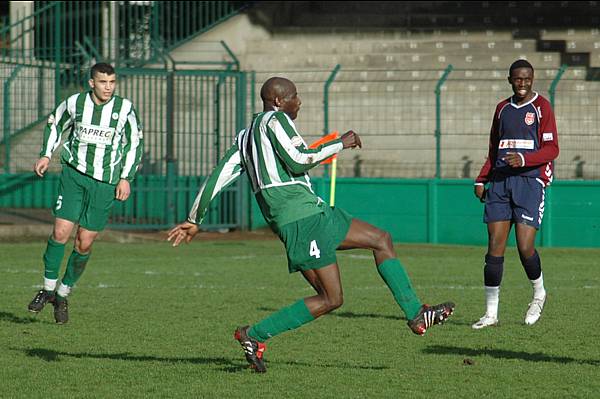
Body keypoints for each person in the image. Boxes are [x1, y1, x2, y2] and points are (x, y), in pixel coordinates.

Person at [168, 77, 455, 373]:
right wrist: (340, 143)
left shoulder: (244, 136)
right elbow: (299, 160)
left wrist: (194, 218)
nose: (299, 101)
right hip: (299, 220)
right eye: (294, 96)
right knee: (331, 298)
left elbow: (220, 174)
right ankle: (253, 335)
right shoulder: (275, 120)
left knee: (381, 239)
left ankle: (417, 313)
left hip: (314, 212)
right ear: (278, 101)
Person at [27, 63, 144, 324]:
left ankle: (63, 293)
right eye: (103, 82)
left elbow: (134, 143)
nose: (108, 87)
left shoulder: (124, 108)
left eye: (112, 82)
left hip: (104, 183)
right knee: (60, 232)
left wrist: (126, 177)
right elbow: (55, 124)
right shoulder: (74, 103)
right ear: (92, 82)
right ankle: (47, 289)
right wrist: (46, 154)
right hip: (74, 175)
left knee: (84, 242)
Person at [472, 59, 559, 329]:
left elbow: (552, 149)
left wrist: (524, 159)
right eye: (518, 79)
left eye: (527, 79)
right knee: (494, 249)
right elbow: (494, 148)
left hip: (530, 182)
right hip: (499, 183)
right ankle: (491, 314)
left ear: (533, 79)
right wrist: (482, 178)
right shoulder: (502, 109)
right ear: (510, 79)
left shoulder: (542, 107)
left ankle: (539, 294)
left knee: (524, 246)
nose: (523, 84)